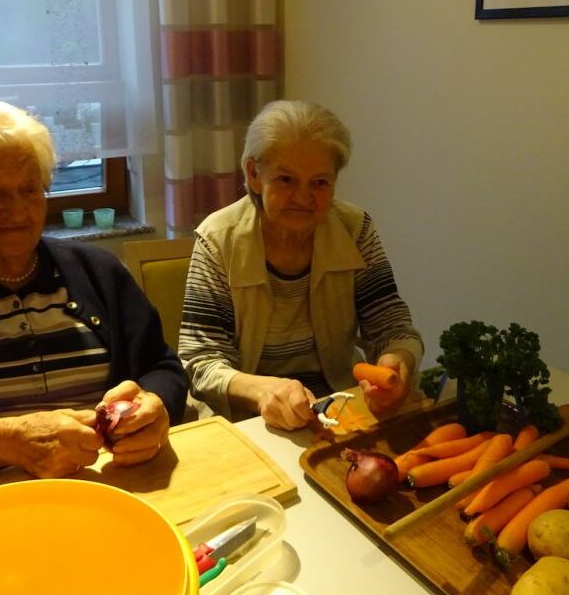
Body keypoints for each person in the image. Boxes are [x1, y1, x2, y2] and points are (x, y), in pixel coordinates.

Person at [0, 98, 188, 516]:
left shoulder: (98, 269)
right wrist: (13, 442)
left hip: (115, 496)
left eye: (30, 189)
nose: (16, 210)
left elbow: (161, 365)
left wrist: (156, 406)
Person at [178, 100, 423, 430]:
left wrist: (397, 363)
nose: (303, 197)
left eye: (320, 182)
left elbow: (392, 328)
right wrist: (263, 391)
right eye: (286, 179)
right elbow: (201, 361)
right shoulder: (217, 240)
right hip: (248, 418)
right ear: (254, 174)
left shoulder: (355, 229)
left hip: (338, 406)